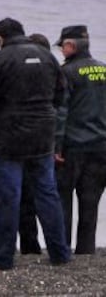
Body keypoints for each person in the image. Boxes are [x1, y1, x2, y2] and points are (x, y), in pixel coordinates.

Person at [0, 17, 71, 270]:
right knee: (48, 193)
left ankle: (3, 257)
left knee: (10, 196)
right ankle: (60, 253)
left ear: (0, 38)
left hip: (9, 137)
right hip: (42, 135)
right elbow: (60, 95)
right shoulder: (47, 56)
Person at [54, 25, 106, 254]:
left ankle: (63, 248)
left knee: (63, 198)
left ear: (70, 45)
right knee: (90, 201)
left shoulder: (67, 73)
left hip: (73, 146)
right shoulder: (104, 69)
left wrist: (56, 146)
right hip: (102, 145)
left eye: (62, 46)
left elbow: (61, 112)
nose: (61, 51)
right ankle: (86, 250)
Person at [18, 33, 52, 255]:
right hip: (52, 144)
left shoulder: (27, 75)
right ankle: (59, 245)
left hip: (31, 144)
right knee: (51, 199)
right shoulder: (57, 73)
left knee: (27, 199)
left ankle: (30, 246)